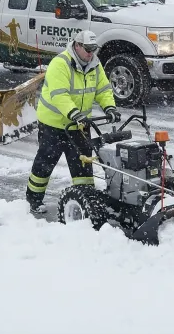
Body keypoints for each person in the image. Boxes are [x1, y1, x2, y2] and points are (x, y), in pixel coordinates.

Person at [26, 30, 120, 214]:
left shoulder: (94, 64)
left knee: (83, 164)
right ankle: (33, 200)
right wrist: (74, 113)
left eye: (94, 49)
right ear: (77, 46)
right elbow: (59, 95)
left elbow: (103, 89)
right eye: (87, 49)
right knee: (45, 163)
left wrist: (110, 107)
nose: (91, 53)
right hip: (53, 124)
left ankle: (87, 201)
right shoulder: (60, 64)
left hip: (80, 125)